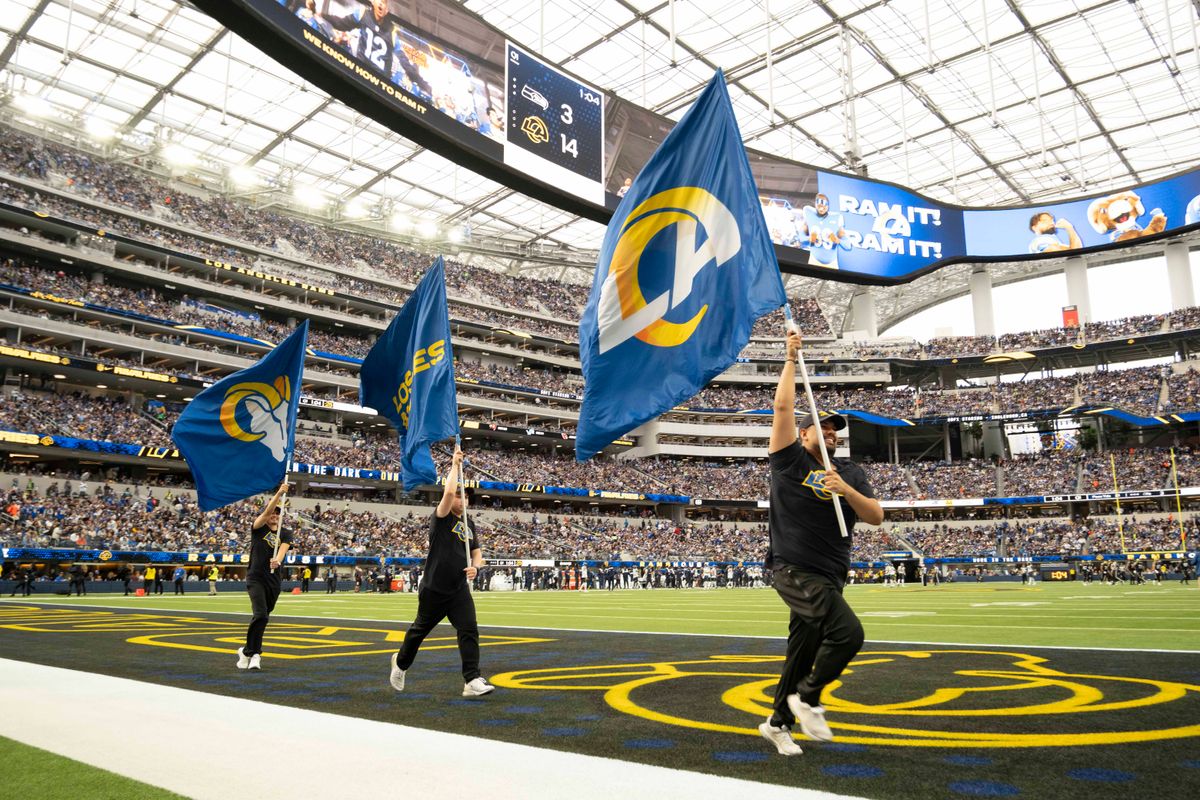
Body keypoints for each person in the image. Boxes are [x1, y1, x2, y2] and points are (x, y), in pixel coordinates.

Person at [758, 328, 883, 757]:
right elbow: (782, 406)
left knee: (802, 648)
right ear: (804, 432)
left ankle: (777, 723)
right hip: (793, 568)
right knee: (848, 634)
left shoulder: (849, 471)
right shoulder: (789, 459)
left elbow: (876, 517)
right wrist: (791, 359)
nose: (830, 433)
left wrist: (844, 490)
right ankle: (809, 698)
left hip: (832, 573)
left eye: (835, 430)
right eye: (822, 427)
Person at [389, 447, 493, 698]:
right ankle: (401, 663)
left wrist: (475, 567)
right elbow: (447, 491)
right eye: (459, 496)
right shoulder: (442, 517)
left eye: (466, 497)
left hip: (458, 589)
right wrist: (456, 465)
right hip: (435, 588)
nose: (462, 499)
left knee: (469, 629)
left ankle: (471, 679)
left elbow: (478, 552)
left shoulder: (469, 523)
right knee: (418, 632)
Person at [237, 482, 293, 672]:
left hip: (273, 580)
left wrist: (277, 560)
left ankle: (246, 651)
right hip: (256, 578)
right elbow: (266, 513)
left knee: (263, 617)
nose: (274, 515)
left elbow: (283, 550)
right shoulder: (259, 528)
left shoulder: (286, 533)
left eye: (278, 513)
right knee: (260, 614)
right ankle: (256, 654)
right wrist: (279, 494)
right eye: (272, 513)